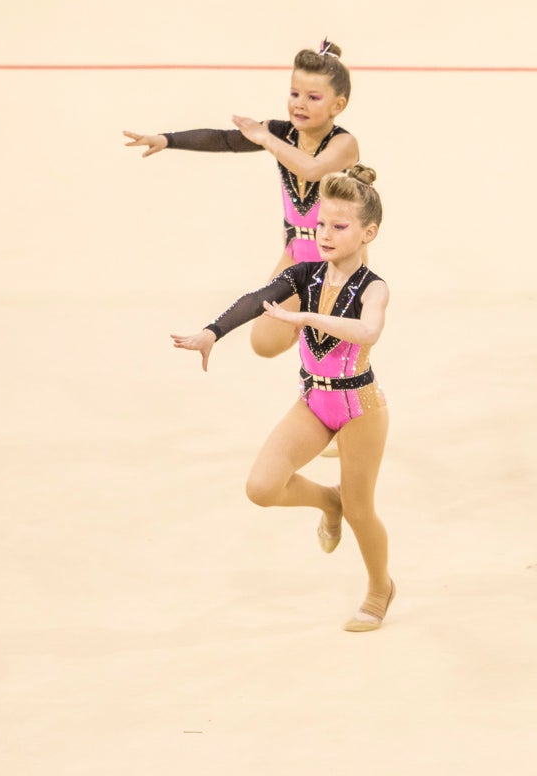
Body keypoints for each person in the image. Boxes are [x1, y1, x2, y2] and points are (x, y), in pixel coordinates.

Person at [171, 166, 396, 631]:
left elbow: (369, 329)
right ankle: (328, 502)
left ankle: (379, 588)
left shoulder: (374, 287)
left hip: (360, 409)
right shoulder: (306, 273)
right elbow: (258, 298)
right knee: (263, 487)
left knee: (363, 510)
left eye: (339, 226)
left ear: (368, 231)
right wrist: (214, 331)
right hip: (314, 400)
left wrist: (308, 319)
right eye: (320, 225)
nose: (325, 235)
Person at [126, 39, 360, 360]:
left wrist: (265, 137)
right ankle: (308, 316)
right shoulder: (282, 134)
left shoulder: (344, 143)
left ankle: (318, 321)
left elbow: (312, 168)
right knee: (264, 344)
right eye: (294, 94)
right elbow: (225, 140)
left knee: (328, 354)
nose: (299, 104)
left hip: (339, 260)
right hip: (296, 253)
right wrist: (168, 139)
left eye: (313, 97)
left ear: (338, 105)